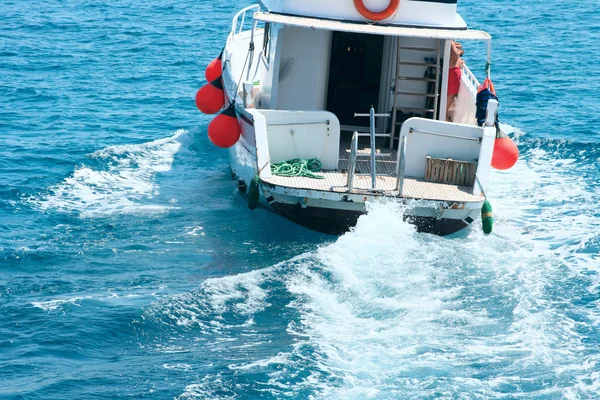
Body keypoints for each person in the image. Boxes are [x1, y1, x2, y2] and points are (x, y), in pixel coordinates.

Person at [446, 40, 464, 121]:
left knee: (451, 94)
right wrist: (460, 52)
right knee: (452, 94)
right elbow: (456, 55)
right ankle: (444, 114)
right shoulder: (451, 42)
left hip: (451, 69)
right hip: (453, 70)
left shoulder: (450, 42)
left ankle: (445, 113)